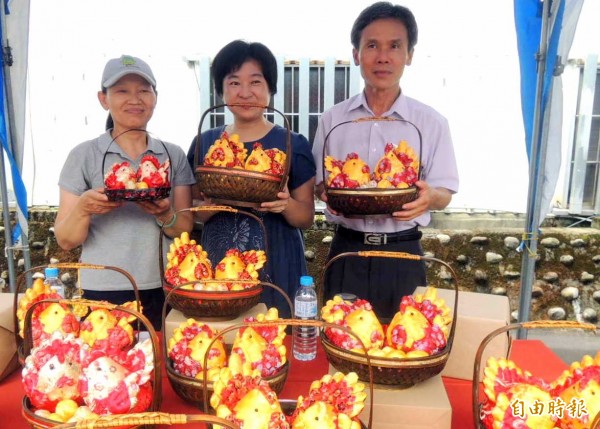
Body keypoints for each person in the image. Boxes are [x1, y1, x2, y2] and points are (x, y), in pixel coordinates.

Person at [312, 2, 459, 321]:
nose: (383, 57)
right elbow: (319, 185)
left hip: (402, 253)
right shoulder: (333, 120)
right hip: (347, 251)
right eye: (372, 46)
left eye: (395, 46)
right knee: (340, 344)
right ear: (356, 54)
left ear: (409, 55)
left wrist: (429, 198)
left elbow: (444, 193)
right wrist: (326, 193)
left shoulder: (431, 123)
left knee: (402, 346)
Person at [54, 55, 196, 330]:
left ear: (155, 97)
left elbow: (183, 229)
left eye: (144, 90)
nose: (135, 99)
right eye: (122, 91)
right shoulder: (84, 155)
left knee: (162, 365)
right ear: (103, 99)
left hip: (164, 285)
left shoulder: (171, 155)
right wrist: (84, 207)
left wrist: (165, 212)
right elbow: (66, 240)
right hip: (102, 288)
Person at [187, 40, 316, 319]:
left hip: (278, 259)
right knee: (219, 340)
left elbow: (305, 216)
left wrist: (285, 205)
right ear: (220, 90)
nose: (245, 93)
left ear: (270, 88)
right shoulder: (205, 143)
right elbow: (193, 210)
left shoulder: (293, 144)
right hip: (219, 259)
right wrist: (208, 208)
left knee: (275, 337)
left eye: (255, 82)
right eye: (234, 83)